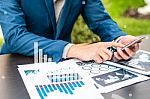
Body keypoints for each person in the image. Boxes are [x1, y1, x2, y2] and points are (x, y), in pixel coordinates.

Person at [0, 0, 139, 63]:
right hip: (17, 62)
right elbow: (14, 36)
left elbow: (100, 20)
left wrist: (120, 39)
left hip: (63, 64)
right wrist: (73, 49)